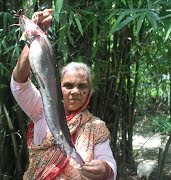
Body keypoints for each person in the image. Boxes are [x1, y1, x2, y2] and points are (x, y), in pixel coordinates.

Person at [10, 8, 117, 180]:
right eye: (68, 85)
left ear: (90, 92)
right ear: (58, 87)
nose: (76, 91)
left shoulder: (96, 126)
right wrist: (35, 38)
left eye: (82, 86)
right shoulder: (41, 109)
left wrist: (104, 168)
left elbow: (108, 161)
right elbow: (19, 83)